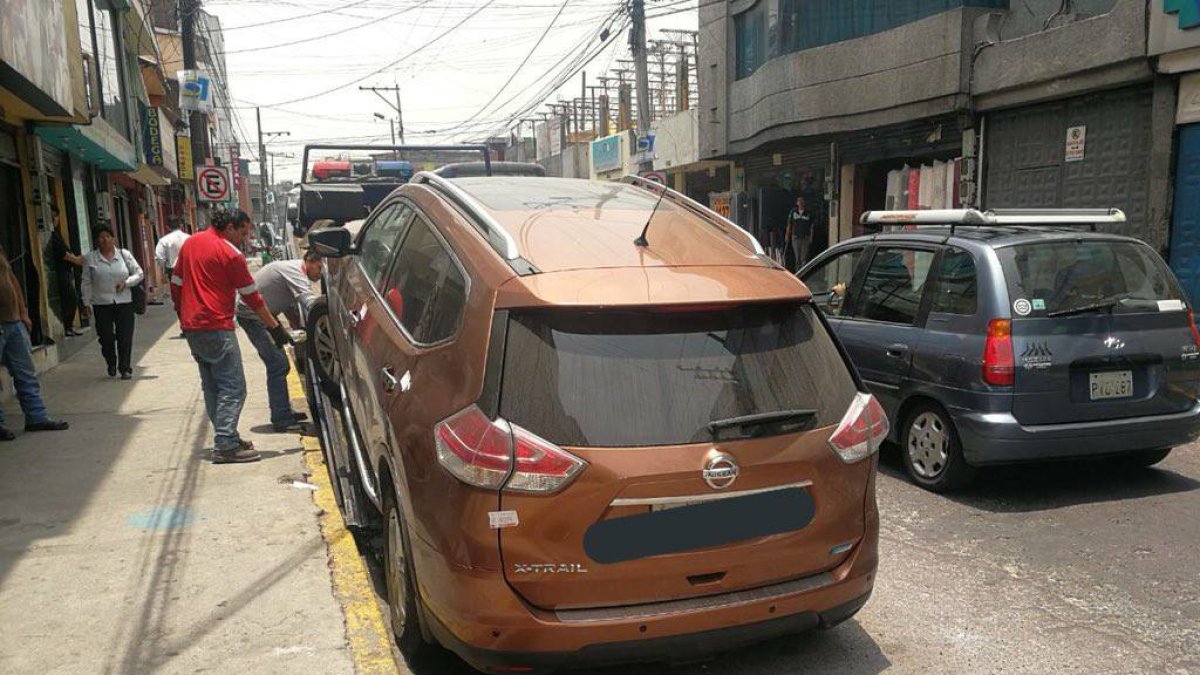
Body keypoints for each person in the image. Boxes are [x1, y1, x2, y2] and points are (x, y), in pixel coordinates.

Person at [172, 209, 291, 464]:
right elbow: (252, 297)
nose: (245, 239)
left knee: (212, 385)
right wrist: (275, 328)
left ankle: (227, 436)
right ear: (229, 228)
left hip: (193, 327)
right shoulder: (231, 253)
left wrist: (183, 315)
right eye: (243, 233)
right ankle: (225, 444)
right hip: (216, 326)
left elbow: (176, 284)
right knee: (233, 387)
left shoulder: (191, 244)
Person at [236, 252, 323, 432]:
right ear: (310, 261)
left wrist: (299, 328)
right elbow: (308, 301)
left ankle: (283, 410)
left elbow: (289, 307)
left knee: (280, 364)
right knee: (278, 365)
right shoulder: (295, 271)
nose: (320, 274)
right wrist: (331, 307)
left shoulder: (291, 269)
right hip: (253, 317)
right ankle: (281, 418)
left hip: (263, 314)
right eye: (320, 268)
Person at [0, 243, 70, 441]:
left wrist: (23, 312)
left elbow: (11, 279)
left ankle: (36, 417)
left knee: (26, 373)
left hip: (13, 323)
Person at [81, 226, 144, 380]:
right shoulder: (90, 258)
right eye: (101, 237)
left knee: (125, 336)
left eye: (108, 236)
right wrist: (86, 302)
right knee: (106, 337)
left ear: (113, 238)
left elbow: (139, 273)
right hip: (101, 304)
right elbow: (86, 282)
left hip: (124, 303)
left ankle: (125, 368)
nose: (105, 240)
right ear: (96, 240)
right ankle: (111, 361)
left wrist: (126, 283)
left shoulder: (124, 254)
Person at [48, 205, 85, 336]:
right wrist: (76, 260)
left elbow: (67, 250)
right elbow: (63, 253)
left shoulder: (57, 234)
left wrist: (76, 258)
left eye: (56, 216)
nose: (54, 219)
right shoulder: (51, 236)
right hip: (59, 273)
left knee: (71, 298)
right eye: (51, 216)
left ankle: (69, 326)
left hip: (67, 271)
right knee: (71, 298)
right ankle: (67, 326)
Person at [155, 217, 189, 326]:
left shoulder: (164, 240)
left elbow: (159, 257)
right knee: (190, 296)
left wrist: (164, 269)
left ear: (167, 227)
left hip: (174, 272)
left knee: (178, 298)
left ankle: (184, 324)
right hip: (189, 270)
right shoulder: (189, 238)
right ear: (181, 225)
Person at [786, 196, 815, 269]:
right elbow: (789, 224)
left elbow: (811, 226)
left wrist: (811, 237)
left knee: (804, 257)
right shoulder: (793, 212)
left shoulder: (808, 213)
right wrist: (787, 235)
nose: (801, 203)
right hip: (795, 237)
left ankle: (804, 271)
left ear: (804, 203)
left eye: (802, 201)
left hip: (805, 237)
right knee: (797, 257)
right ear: (797, 203)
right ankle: (798, 272)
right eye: (799, 201)